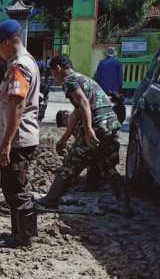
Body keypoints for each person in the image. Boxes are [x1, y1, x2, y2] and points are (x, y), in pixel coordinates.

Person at [36, 54, 129, 211]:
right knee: (107, 166)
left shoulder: (70, 80)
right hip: (111, 124)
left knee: (70, 164)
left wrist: (88, 130)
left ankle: (50, 199)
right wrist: (64, 138)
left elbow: (84, 103)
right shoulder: (84, 79)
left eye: (52, 73)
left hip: (98, 124)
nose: (54, 77)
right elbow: (77, 113)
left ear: (58, 68)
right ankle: (125, 204)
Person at [0, 20, 41, 247]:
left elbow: (17, 106)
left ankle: (23, 237)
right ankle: (20, 232)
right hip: (19, 137)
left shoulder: (20, 66)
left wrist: (6, 144)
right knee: (13, 186)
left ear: (7, 42)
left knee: (16, 188)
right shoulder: (23, 62)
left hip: (18, 139)